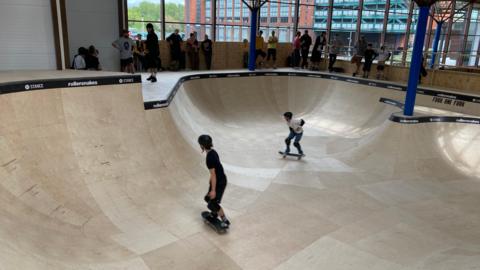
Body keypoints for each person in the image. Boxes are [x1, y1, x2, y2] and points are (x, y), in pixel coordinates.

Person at [198, 135, 230, 229]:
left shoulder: (209, 159)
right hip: (218, 180)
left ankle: (225, 221)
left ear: (202, 146)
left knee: (213, 203)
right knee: (208, 198)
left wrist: (213, 190)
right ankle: (214, 214)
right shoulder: (213, 152)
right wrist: (211, 183)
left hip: (220, 182)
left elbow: (213, 175)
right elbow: (215, 171)